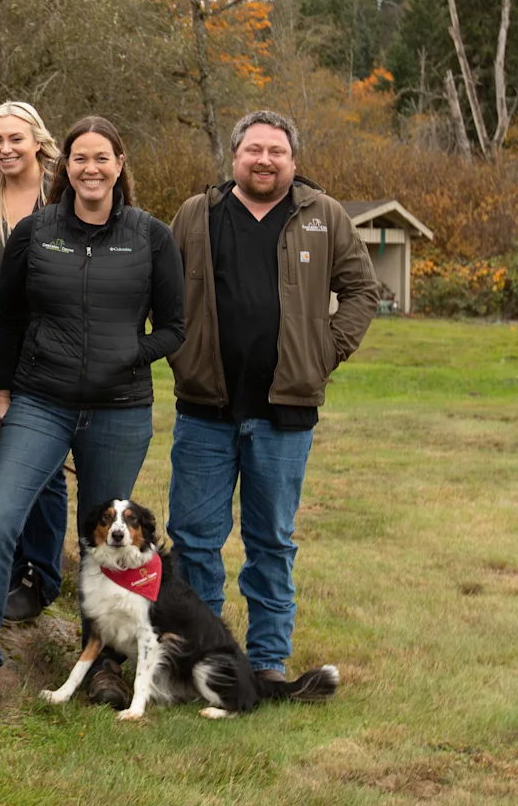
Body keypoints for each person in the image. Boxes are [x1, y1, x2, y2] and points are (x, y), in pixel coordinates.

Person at [0, 116, 186, 716]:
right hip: (40, 400)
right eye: (80, 158)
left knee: (109, 541)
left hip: (120, 410)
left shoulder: (150, 236)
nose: (91, 168)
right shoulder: (37, 230)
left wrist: (131, 352)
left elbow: (176, 328)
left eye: (102, 157)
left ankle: (102, 663)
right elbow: (4, 318)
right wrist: (1, 391)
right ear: (65, 165)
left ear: (120, 164)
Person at [166, 109, 378, 688]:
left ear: (292, 159)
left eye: (276, 151)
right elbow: (160, 286)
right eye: (253, 149)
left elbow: (362, 290)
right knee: (194, 541)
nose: (264, 159)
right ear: (234, 156)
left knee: (271, 544)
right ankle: (202, 660)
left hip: (284, 416)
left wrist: (324, 352)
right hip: (205, 410)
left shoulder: (323, 216)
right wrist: (178, 350)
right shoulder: (197, 214)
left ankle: (266, 661)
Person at [0, 102, 70, 624]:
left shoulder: (61, 189)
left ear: (39, 142)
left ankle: (39, 573)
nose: (5, 149)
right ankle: (11, 555)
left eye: (15, 139)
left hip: (49, 342)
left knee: (43, 464)